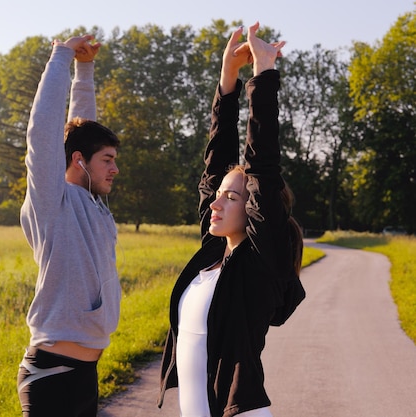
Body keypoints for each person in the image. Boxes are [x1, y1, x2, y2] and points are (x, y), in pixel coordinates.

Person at [158, 22, 306, 417]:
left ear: (254, 208)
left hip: (240, 413)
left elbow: (262, 166)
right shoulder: (211, 254)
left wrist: (264, 74)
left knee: (253, 174)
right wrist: (228, 79)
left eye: (232, 197)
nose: (215, 204)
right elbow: (215, 164)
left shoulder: (260, 265)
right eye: (218, 196)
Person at [17, 34, 121, 417]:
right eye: (107, 159)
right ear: (79, 162)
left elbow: (82, 131)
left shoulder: (93, 202)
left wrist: (85, 69)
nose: (114, 168)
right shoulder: (52, 201)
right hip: (50, 375)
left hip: (85, 373)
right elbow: (43, 134)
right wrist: (61, 57)